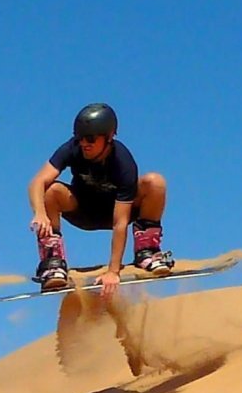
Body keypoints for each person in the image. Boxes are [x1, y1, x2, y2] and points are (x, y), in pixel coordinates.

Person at [27, 103, 172, 297]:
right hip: (83, 211)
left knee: (155, 182)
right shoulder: (72, 148)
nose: (84, 143)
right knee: (50, 190)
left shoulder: (123, 163)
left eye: (90, 139)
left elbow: (120, 223)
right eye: (79, 138)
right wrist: (40, 212)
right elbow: (37, 181)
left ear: (109, 137)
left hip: (116, 213)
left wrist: (113, 272)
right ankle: (52, 262)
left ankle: (147, 251)